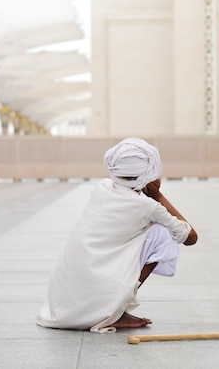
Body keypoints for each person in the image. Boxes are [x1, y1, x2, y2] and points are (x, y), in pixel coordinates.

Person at [36, 137, 198, 332]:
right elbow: (191, 238)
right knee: (163, 234)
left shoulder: (102, 188)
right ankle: (116, 311)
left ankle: (113, 307)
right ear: (150, 173)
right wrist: (157, 195)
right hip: (93, 302)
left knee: (143, 231)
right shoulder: (148, 206)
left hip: (63, 306)